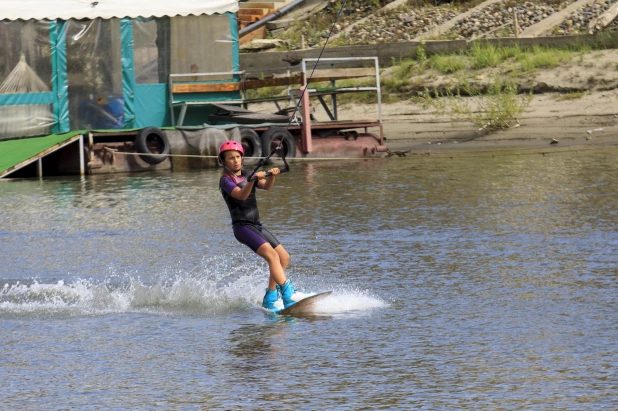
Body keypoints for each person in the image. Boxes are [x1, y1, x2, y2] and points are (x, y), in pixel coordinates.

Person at [218, 140, 307, 311]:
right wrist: (251, 181)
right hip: (242, 227)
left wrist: (272, 175)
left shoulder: (248, 173)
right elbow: (241, 195)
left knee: (284, 257)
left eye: (238, 157)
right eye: (230, 158)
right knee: (272, 256)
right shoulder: (225, 180)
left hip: (256, 225)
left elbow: (266, 187)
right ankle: (289, 295)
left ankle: (271, 297)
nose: (235, 161)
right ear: (223, 161)